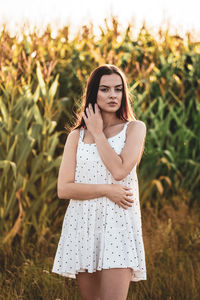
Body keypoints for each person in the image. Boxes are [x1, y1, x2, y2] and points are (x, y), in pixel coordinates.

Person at [52, 64, 147, 300]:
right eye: (105, 89)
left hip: (118, 224)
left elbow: (119, 170)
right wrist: (107, 191)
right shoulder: (76, 136)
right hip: (83, 223)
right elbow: (64, 188)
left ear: (124, 93)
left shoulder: (134, 129)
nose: (113, 95)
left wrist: (98, 132)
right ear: (94, 93)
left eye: (118, 89)